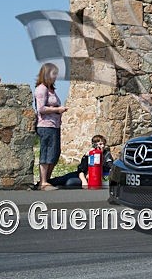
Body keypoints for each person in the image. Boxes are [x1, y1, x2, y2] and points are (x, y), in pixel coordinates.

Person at [34, 63, 68, 191]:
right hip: (46, 125)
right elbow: (41, 108)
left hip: (54, 125)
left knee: (54, 153)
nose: (55, 77)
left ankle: (46, 180)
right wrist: (58, 109)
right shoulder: (41, 89)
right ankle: (43, 182)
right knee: (47, 153)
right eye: (54, 74)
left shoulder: (51, 90)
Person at [44, 135, 114, 189]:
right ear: (94, 145)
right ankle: (44, 183)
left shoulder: (106, 155)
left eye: (103, 144)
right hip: (82, 176)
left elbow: (110, 167)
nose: (103, 146)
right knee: (61, 179)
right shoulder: (89, 154)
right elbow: (81, 170)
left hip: (94, 179)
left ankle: (60, 187)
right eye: (100, 144)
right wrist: (84, 181)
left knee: (70, 183)